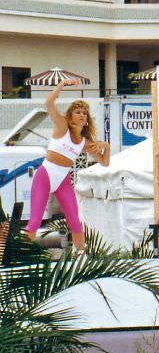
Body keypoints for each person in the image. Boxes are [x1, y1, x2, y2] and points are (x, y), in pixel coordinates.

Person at [23, 79, 110, 255]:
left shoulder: (86, 142)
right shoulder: (62, 127)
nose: (82, 115)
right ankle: (22, 252)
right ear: (70, 116)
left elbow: (104, 162)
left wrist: (106, 147)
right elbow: (48, 102)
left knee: (74, 221)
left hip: (63, 179)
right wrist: (62, 84)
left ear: (87, 120)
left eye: (85, 113)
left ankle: (80, 253)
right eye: (78, 112)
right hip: (45, 174)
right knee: (35, 221)